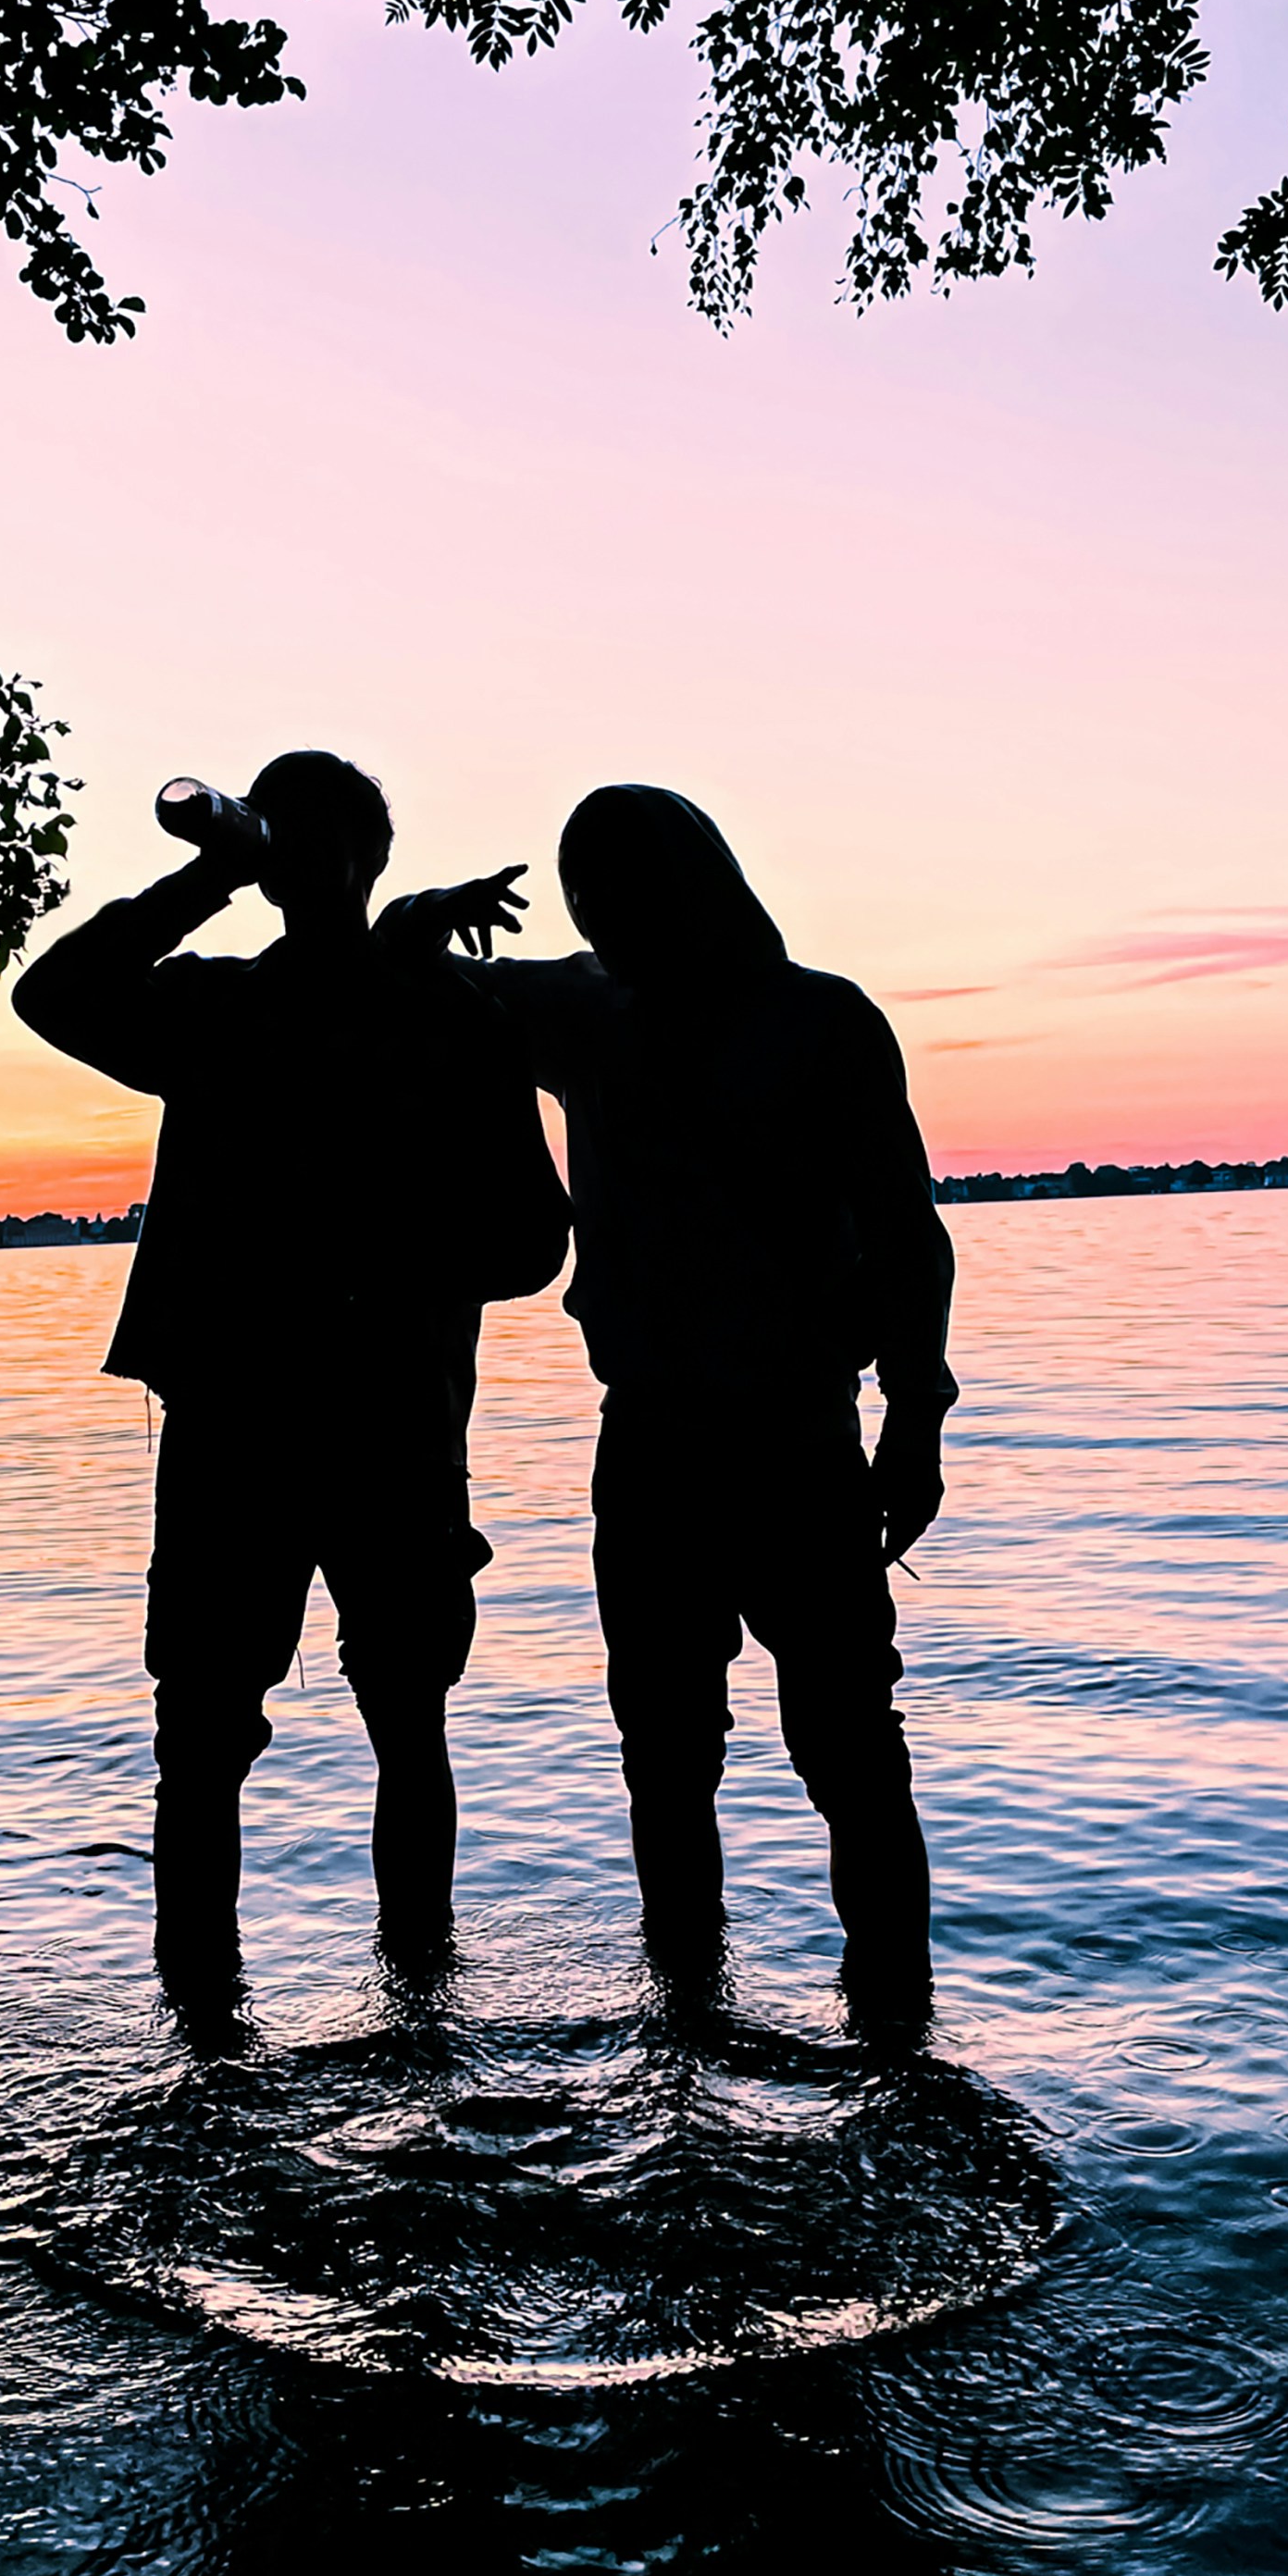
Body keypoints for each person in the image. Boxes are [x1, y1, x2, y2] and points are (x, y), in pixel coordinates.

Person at [382, 786, 955, 2024]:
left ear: (693, 883)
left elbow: (911, 1240)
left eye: (622, 893)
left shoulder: (822, 1023)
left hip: (803, 1439)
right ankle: (691, 2027)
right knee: (669, 1764)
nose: (603, 918)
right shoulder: (585, 1010)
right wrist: (442, 909)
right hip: (649, 1443)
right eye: (584, 899)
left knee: (850, 1753)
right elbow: (400, 966)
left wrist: (918, 1415)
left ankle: (893, 2027)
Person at [12, 752, 568, 1973]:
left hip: (363, 1425)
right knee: (222, 1740)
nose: (304, 859)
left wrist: (385, 1265)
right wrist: (210, 874)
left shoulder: (427, 1016)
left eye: (309, 837)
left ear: (363, 858)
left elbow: (533, 1240)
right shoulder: (226, 1012)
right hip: (268, 1428)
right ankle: (266, 2031)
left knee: (359, 1730)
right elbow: (51, 995)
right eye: (285, 838)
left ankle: (340, 2033)